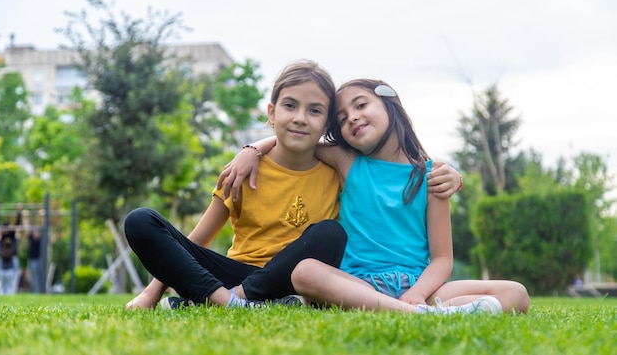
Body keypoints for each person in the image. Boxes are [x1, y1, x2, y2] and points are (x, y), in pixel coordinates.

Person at [125, 60, 462, 310]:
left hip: (294, 276)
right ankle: (226, 301)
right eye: (290, 106)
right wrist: (152, 291)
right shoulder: (240, 172)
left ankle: (222, 301)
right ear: (271, 112)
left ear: (323, 126)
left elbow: (394, 175)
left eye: (315, 111)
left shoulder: (337, 170)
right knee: (140, 221)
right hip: (234, 274)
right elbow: (195, 240)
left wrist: (452, 174)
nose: (301, 117)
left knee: (330, 232)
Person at [224, 79, 530, 314]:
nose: (352, 118)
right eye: (342, 118)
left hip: (421, 286)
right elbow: (296, 141)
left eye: (360, 105)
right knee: (305, 272)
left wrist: (417, 294)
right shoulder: (347, 162)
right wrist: (251, 150)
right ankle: (422, 315)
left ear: (390, 102)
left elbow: (442, 259)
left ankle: (416, 309)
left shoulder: (431, 176)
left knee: (516, 293)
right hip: (359, 285)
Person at [23, 209, 44, 293]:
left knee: (40, 277)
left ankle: (40, 291)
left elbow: (44, 226)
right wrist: (25, 217)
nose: (35, 232)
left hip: (39, 259)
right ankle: (35, 292)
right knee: (32, 278)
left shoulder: (41, 239)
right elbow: (26, 228)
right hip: (31, 259)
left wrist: (43, 216)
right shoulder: (31, 237)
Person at [0, 226, 20, 295]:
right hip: (9, 271)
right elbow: (15, 244)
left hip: (3, 271)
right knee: (9, 287)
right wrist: (17, 234)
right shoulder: (11, 251)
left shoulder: (1, 251)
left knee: (2, 287)